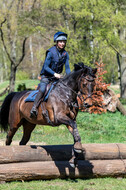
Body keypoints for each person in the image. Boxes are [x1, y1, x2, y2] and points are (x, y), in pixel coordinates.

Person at [30, 31, 71, 118]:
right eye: (60, 42)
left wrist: (70, 79)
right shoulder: (51, 52)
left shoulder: (65, 54)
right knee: (43, 89)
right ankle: (34, 107)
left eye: (64, 42)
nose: (62, 43)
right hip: (46, 77)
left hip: (57, 78)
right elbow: (45, 67)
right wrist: (55, 74)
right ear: (56, 42)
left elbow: (67, 68)